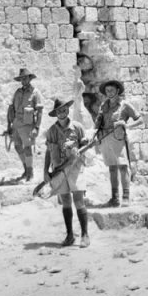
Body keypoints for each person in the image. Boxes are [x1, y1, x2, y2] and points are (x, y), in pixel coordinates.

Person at [43, 98, 90, 248]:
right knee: (65, 201)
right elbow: (48, 152)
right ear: (55, 113)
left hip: (76, 168)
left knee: (78, 200)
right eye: (59, 111)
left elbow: (85, 144)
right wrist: (45, 170)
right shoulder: (51, 131)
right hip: (59, 169)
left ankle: (84, 235)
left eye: (64, 110)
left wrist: (79, 148)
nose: (62, 113)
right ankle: (70, 235)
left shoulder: (77, 127)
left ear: (68, 110)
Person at [93, 79, 142, 207]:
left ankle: (126, 197)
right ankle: (114, 198)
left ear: (117, 91)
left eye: (112, 90)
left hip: (118, 139)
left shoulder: (125, 105)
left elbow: (140, 119)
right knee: (112, 168)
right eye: (107, 91)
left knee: (123, 167)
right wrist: (95, 135)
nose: (109, 93)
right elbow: (98, 123)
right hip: (105, 138)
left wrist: (127, 124)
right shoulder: (104, 106)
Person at [8, 68, 43, 182]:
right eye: (21, 78)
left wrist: (37, 127)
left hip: (28, 125)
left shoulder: (35, 92)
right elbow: (11, 108)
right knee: (18, 147)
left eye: (25, 78)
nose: (23, 80)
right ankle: (25, 170)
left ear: (29, 78)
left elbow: (40, 111)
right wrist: (9, 124)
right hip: (16, 124)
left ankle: (30, 172)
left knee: (27, 148)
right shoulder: (18, 92)